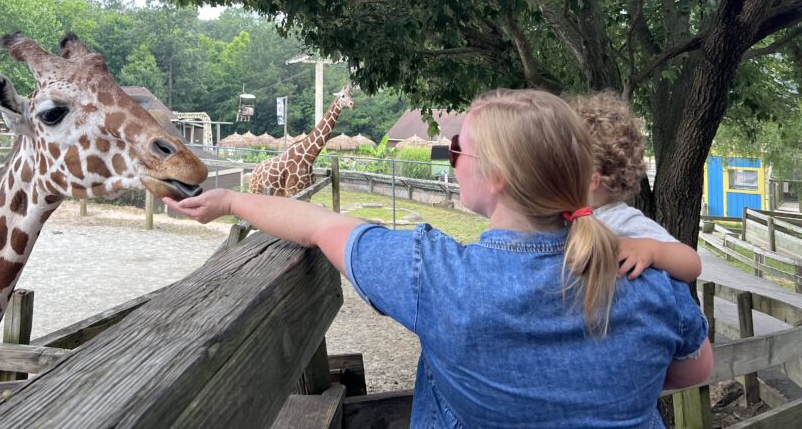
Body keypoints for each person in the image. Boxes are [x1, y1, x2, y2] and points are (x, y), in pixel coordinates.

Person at [166, 89, 712, 428]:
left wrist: (231, 200)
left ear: (496, 176)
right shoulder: (650, 278)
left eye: (457, 150)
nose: (450, 159)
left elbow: (319, 226)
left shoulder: (434, 275)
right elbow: (696, 369)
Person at [570, 91, 703, 283]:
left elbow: (692, 264)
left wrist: (652, 250)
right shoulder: (558, 213)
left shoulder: (619, 220)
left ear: (592, 180)